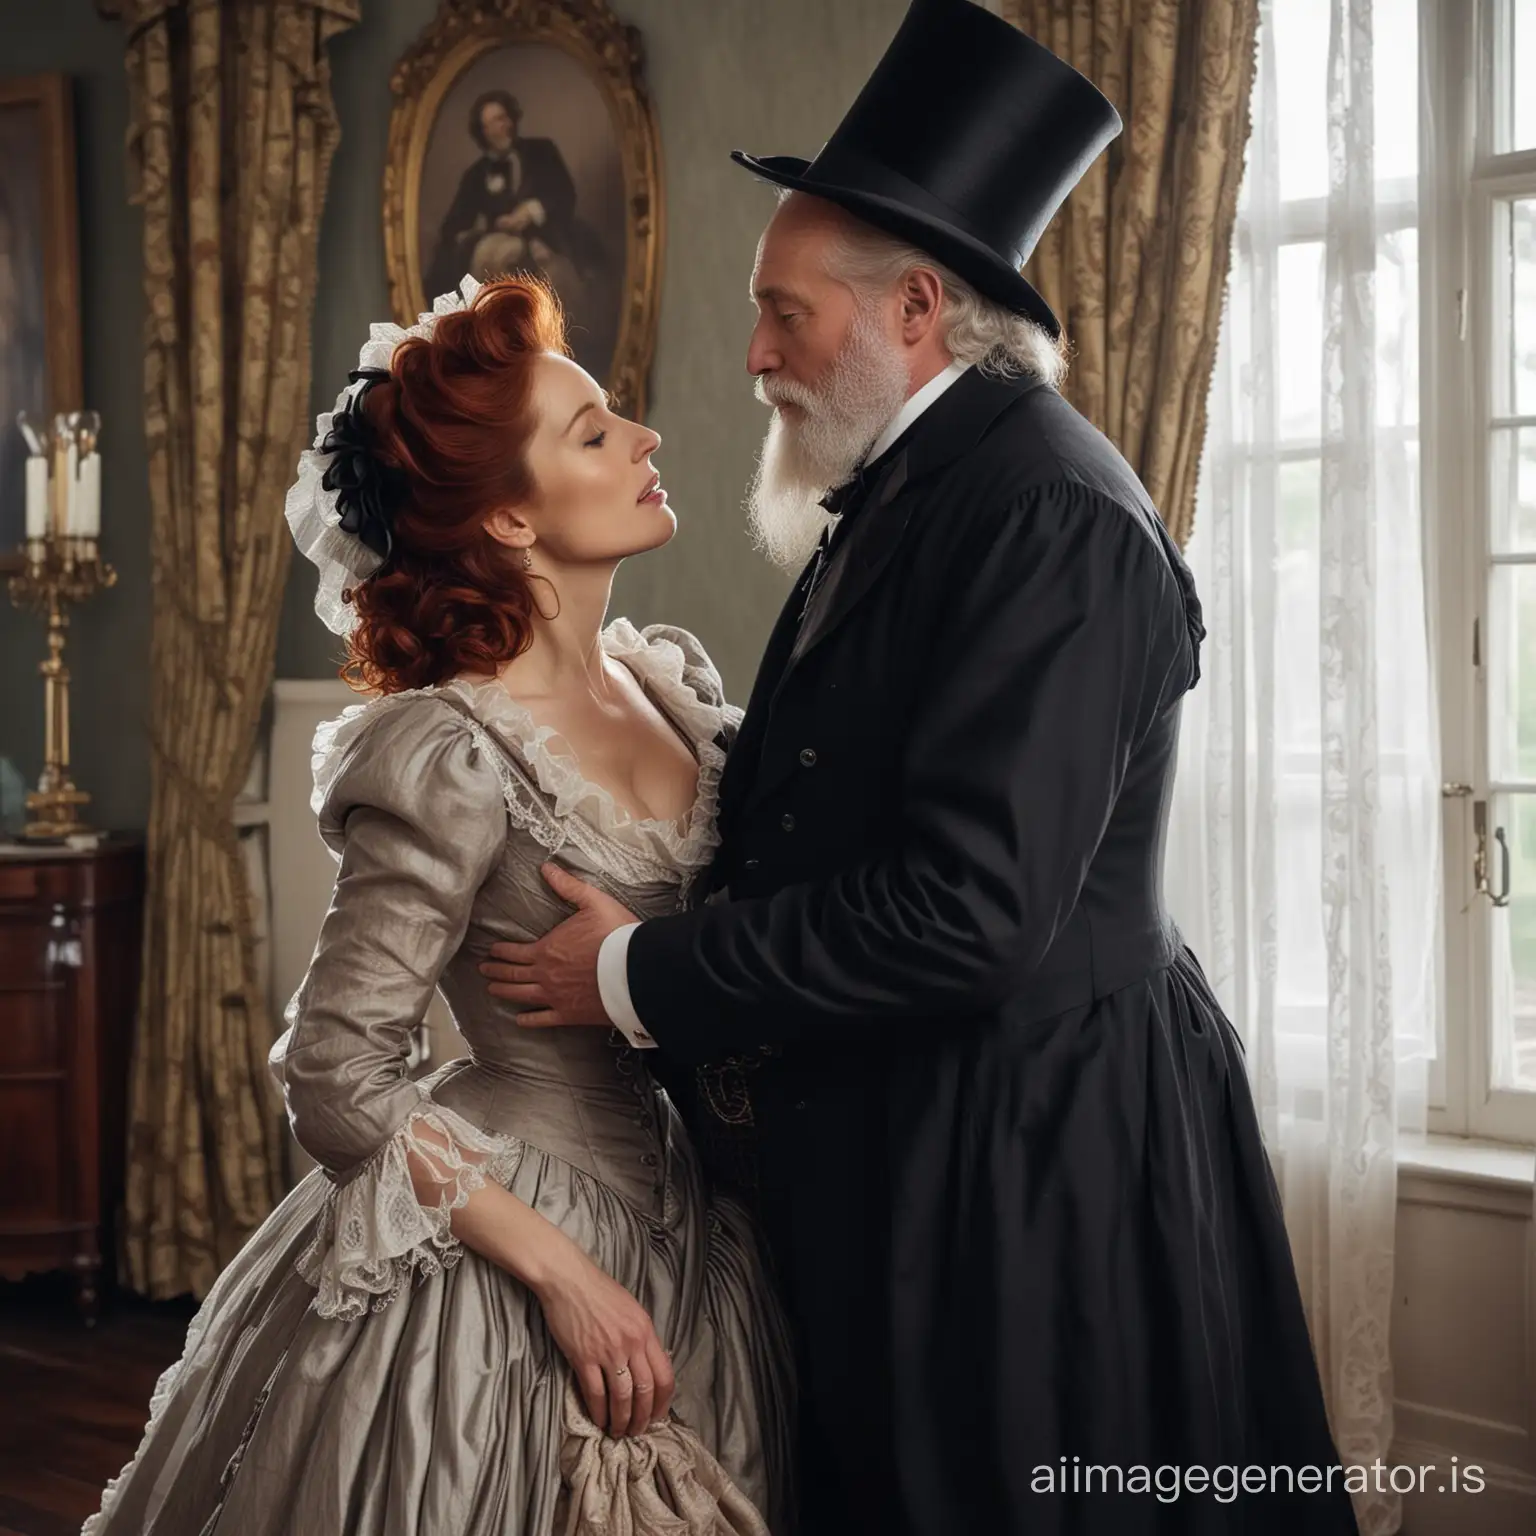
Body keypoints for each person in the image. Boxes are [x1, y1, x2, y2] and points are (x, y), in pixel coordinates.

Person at [479, 2, 1363, 1533]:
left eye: (784, 316)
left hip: (1040, 1150)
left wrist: (637, 975)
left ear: (915, 310)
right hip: (933, 1131)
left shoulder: (1051, 515)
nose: (751, 356)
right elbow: (859, 774)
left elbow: (973, 907)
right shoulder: (922, 483)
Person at [79, 275, 793, 1536]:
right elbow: (337, 1071)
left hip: (697, 1216)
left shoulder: (672, 689)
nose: (646, 438)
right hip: (515, 1240)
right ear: (512, 520)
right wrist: (559, 1272)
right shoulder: (452, 750)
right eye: (594, 432)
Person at [425, 89, 593, 305]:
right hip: (504, 250)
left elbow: (565, 194)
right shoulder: (477, 174)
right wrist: (488, 227)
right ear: (482, 132)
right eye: (491, 124)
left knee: (560, 290)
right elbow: (454, 223)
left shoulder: (542, 151)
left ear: (512, 118)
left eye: (502, 118)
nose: (500, 127)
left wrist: (532, 211)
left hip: (551, 238)